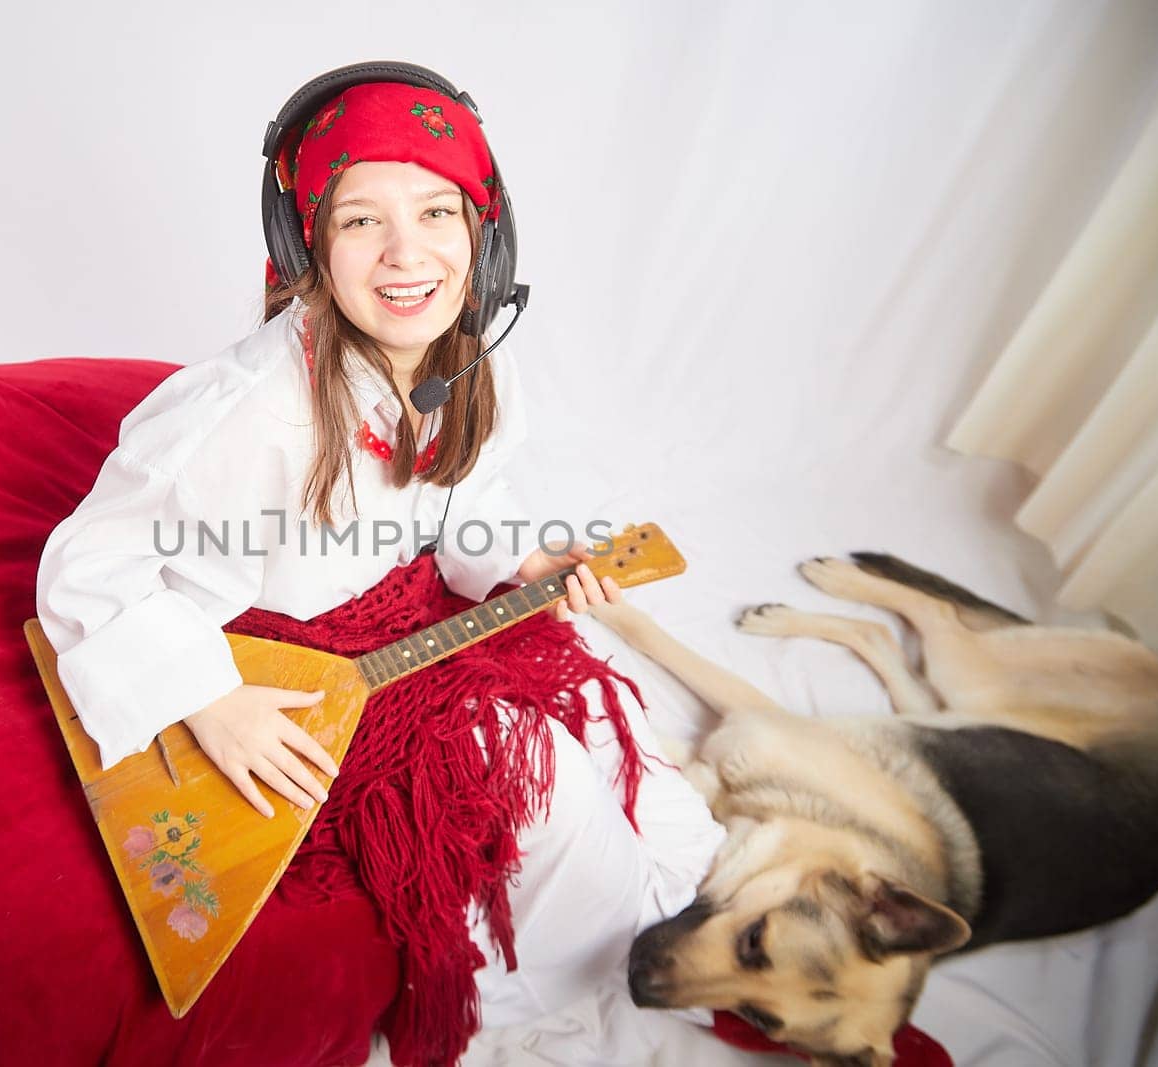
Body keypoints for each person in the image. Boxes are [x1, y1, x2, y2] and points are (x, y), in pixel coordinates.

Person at [37, 65, 722, 1064]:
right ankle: (621, 966)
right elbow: (86, 567)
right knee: (551, 789)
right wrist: (208, 696)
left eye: (436, 210)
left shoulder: (469, 360)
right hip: (287, 660)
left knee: (633, 753)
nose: (408, 254)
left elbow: (458, 510)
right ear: (306, 241)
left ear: (483, 231)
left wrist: (524, 561)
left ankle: (691, 909)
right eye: (361, 220)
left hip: (411, 613)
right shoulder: (246, 414)